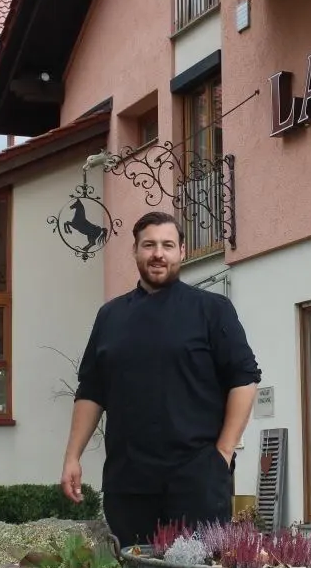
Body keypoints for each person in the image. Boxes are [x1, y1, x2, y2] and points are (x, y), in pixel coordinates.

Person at [60, 210, 261, 548]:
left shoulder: (211, 309)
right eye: (149, 245)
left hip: (196, 480)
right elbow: (91, 390)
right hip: (129, 483)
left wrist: (223, 452)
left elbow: (244, 379)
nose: (158, 253)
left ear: (182, 251)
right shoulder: (110, 316)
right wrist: (72, 457)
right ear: (135, 251)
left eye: (168, 245)